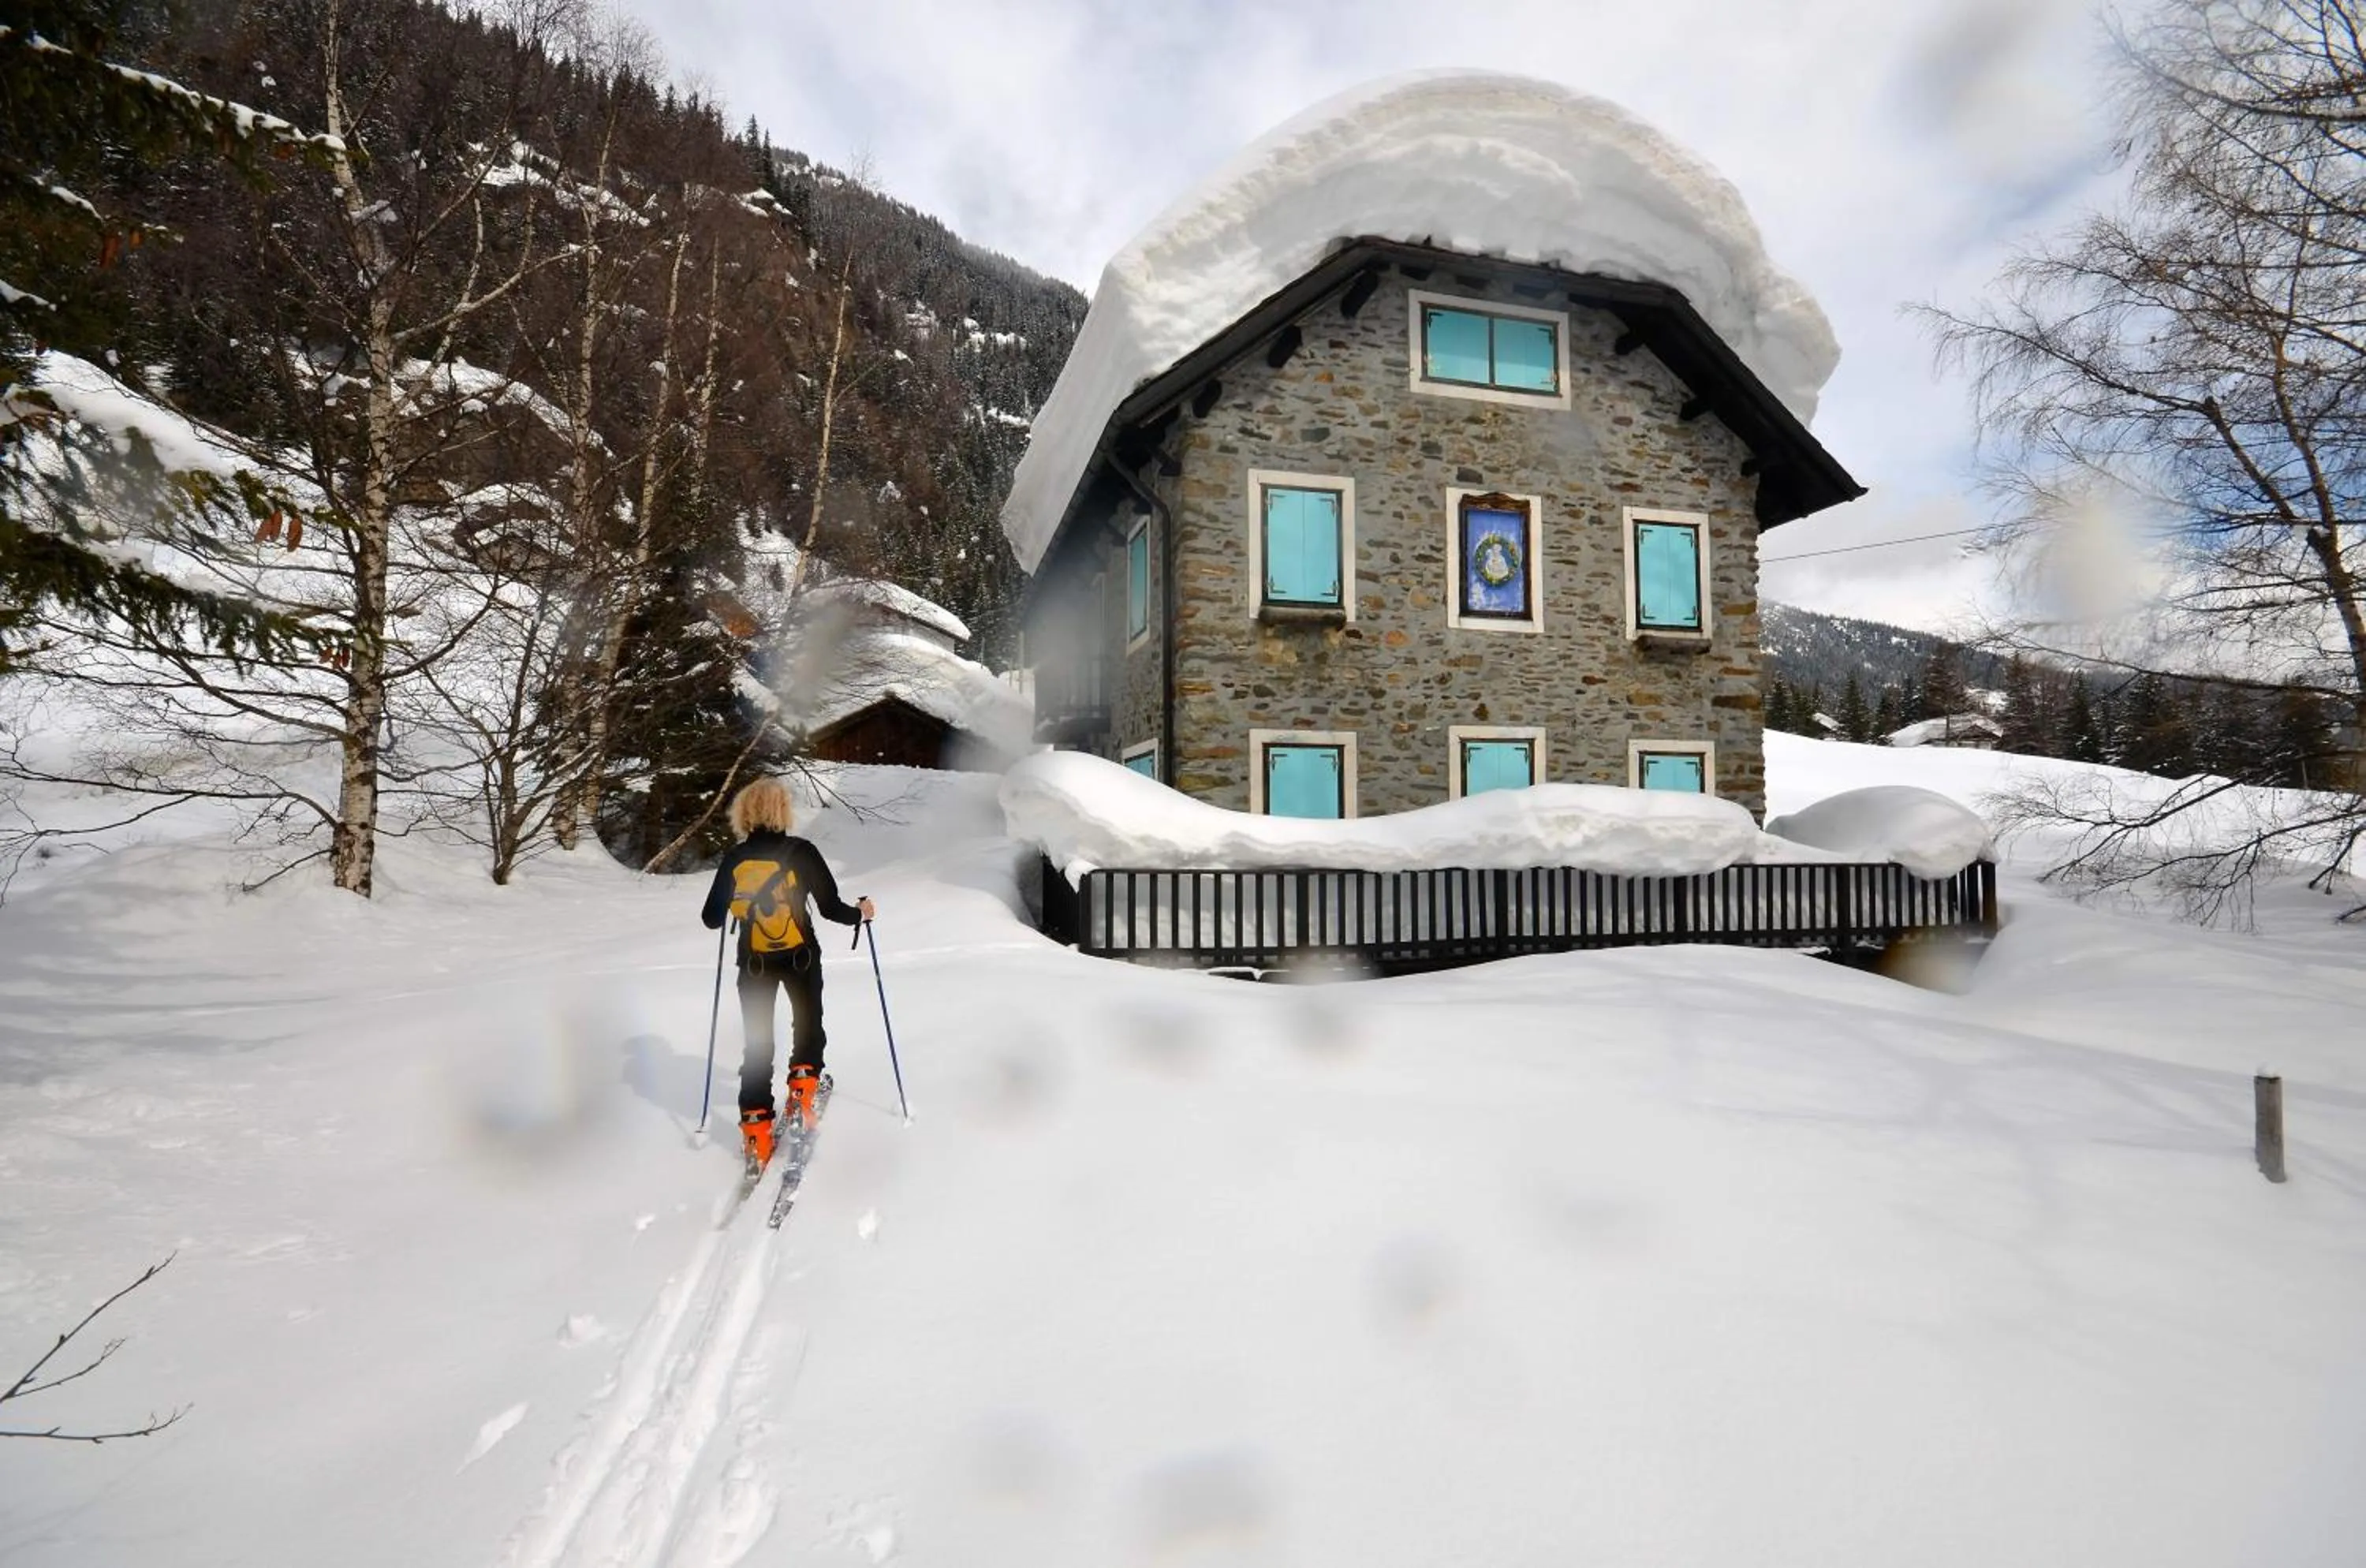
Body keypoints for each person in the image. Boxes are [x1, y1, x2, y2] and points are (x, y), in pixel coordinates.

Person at [700, 777, 874, 1167]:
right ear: (783, 811)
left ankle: (757, 1133)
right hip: (800, 957)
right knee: (808, 1024)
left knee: (757, 1043)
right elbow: (830, 908)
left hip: (754, 962)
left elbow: (711, 919)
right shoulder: (802, 852)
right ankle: (802, 1089)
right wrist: (860, 914)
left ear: (744, 813)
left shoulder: (736, 859)